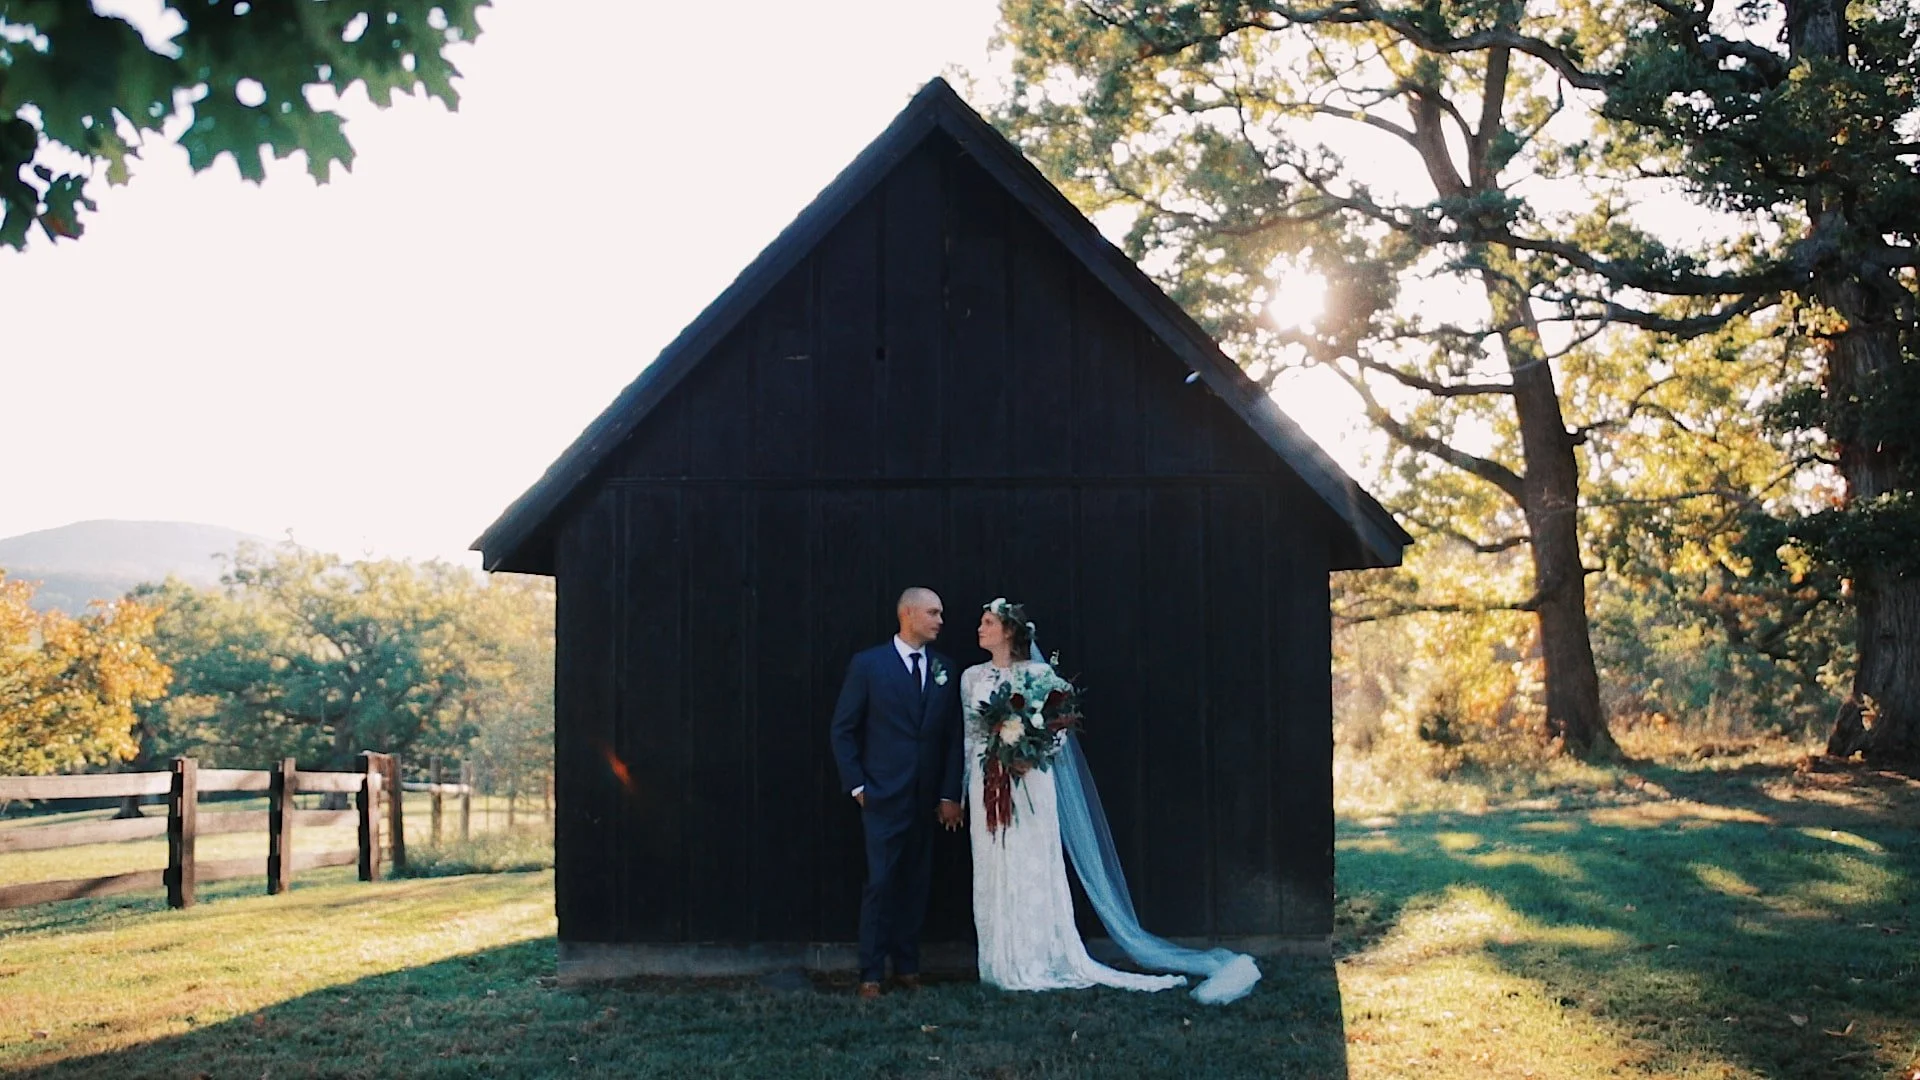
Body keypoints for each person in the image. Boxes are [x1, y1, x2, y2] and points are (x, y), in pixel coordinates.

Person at [962, 598, 1184, 994]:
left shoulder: (1040, 675)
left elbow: (1056, 727)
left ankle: (1039, 956)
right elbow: (971, 734)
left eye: (987, 622)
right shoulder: (971, 677)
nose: (980, 628)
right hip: (989, 782)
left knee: (1033, 863)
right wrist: (968, 785)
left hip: (1030, 779)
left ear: (1008, 631)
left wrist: (1032, 753)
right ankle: (999, 961)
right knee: (992, 863)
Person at [828, 587, 965, 1000]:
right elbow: (843, 729)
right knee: (881, 883)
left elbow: (952, 738)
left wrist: (948, 793)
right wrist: (858, 785)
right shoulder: (869, 665)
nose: (940, 620)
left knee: (916, 883)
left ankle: (908, 966)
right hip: (883, 796)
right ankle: (870, 971)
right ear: (907, 614)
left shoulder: (945, 667)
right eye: (933, 612)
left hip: (926, 798)